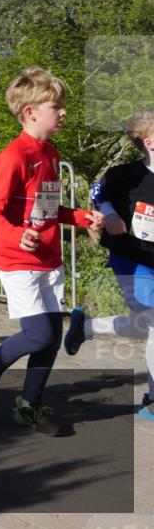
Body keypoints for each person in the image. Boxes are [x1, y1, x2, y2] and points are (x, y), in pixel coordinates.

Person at [0, 67, 102, 433]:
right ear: (30, 112)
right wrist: (16, 235)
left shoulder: (51, 154)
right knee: (38, 335)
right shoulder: (14, 155)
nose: (63, 112)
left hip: (49, 258)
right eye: (55, 106)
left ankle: (29, 406)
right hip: (18, 260)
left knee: (52, 338)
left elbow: (47, 210)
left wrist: (80, 217)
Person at [64, 110, 154, 420]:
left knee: (143, 324)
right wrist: (110, 214)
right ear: (150, 142)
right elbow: (98, 192)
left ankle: (86, 327)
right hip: (131, 258)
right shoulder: (125, 174)